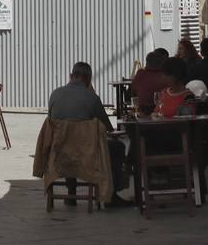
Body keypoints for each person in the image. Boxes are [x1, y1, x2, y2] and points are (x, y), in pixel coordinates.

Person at [46, 62, 132, 208]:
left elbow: (51, 122)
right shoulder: (92, 98)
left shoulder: (55, 94)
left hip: (58, 150)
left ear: (70, 76)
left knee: (69, 142)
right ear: (88, 79)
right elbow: (107, 127)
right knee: (117, 147)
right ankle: (111, 195)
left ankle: (71, 193)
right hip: (87, 153)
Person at [130, 50, 169, 116]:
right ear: (162, 63)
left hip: (142, 112)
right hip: (161, 112)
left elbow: (132, 93)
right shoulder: (166, 76)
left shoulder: (140, 74)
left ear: (147, 62)